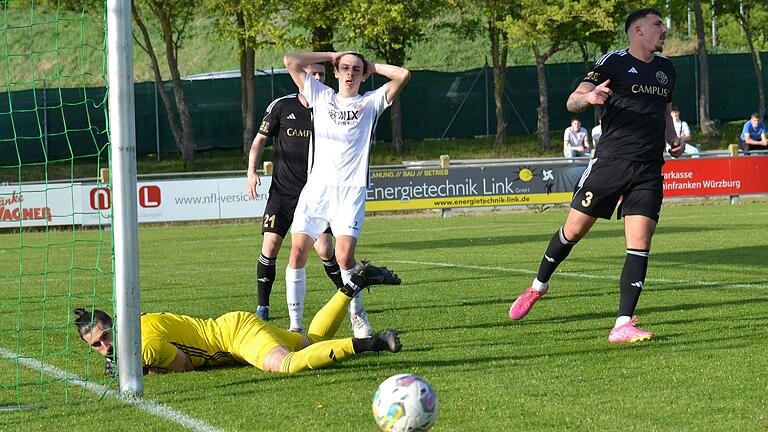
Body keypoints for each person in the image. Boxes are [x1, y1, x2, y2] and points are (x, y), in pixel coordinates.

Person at [508, 8, 683, 343]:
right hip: (610, 164)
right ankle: (537, 287)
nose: (664, 29)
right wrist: (587, 98)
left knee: (640, 244)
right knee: (572, 231)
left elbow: (663, 112)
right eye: (658, 24)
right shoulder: (612, 63)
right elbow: (573, 101)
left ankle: (622, 324)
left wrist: (672, 138)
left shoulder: (667, 69)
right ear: (637, 30)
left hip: (648, 168)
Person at [74, 261, 402, 376]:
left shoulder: (142, 346)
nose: (103, 347)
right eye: (96, 345)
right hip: (234, 326)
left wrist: (145, 370)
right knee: (312, 344)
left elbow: (184, 364)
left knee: (286, 364)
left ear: (114, 326)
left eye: (104, 338)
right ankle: (356, 281)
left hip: (234, 339)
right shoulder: (139, 323)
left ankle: (372, 343)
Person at [282, 51, 410, 338]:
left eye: (356, 69)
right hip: (317, 190)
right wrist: (329, 55)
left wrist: (371, 66)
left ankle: (357, 313)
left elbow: (402, 75)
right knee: (297, 252)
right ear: (336, 72)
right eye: (344, 68)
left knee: (343, 257)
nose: (350, 74)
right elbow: (291, 60)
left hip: (350, 193)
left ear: (363, 75)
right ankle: (296, 328)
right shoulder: (321, 95)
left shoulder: (370, 102)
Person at [246, 63, 344, 324]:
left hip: (317, 194)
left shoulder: (331, 107)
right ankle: (262, 306)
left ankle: (345, 296)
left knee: (325, 249)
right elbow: (259, 141)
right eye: (312, 73)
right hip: (283, 194)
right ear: (301, 77)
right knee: (271, 245)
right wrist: (251, 171)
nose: (317, 78)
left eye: (321, 74)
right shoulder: (282, 106)